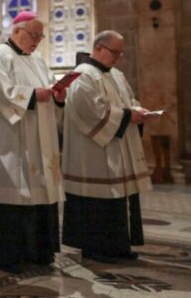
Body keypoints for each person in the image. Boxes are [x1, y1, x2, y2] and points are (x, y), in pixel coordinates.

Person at [0, 11, 65, 274]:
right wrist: (31, 96)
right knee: (14, 195)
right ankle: (8, 255)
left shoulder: (38, 59)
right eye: (33, 35)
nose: (37, 41)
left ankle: (39, 251)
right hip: (12, 140)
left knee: (40, 193)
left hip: (41, 138)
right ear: (16, 31)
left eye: (41, 36)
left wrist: (58, 93)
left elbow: (49, 86)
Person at [62, 30, 153, 263]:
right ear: (99, 48)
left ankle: (118, 245)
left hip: (116, 148)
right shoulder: (82, 75)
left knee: (118, 200)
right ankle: (97, 249)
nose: (118, 57)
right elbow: (89, 111)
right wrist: (126, 116)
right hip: (93, 152)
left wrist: (137, 110)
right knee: (98, 202)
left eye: (121, 53)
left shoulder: (117, 75)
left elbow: (128, 100)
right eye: (115, 52)